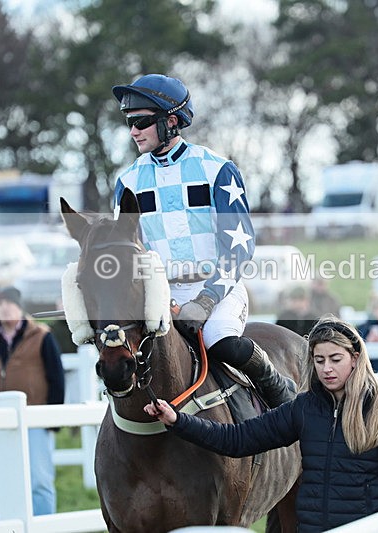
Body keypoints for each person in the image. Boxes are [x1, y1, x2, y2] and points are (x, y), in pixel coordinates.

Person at [112, 73, 294, 408]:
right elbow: (127, 253)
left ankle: (285, 400)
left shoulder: (218, 169)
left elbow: (239, 246)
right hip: (161, 295)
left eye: (141, 122)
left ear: (170, 121)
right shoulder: (127, 181)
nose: (133, 131)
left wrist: (207, 300)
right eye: (129, 122)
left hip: (218, 290)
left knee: (219, 341)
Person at [143, 317, 378, 532]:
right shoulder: (303, 410)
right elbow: (237, 440)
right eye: (319, 360)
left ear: (355, 360)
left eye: (336, 360)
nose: (326, 369)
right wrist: (178, 420)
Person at [0, 286, 65, 515]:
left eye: (9, 303)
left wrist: (53, 417)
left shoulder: (42, 336)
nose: (4, 308)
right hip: (1, 422)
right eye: (0, 304)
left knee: (39, 479)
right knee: (9, 480)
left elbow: (56, 377)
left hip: (35, 420)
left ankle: (43, 528)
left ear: (20, 307)